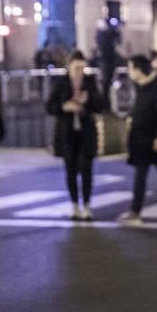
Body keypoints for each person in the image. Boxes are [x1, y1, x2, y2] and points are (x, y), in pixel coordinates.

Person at [118, 54, 157, 224]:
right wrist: (131, 116)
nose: (129, 72)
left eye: (130, 68)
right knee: (140, 176)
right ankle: (135, 212)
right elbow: (138, 107)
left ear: (138, 69)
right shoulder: (139, 86)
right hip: (141, 137)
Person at [46, 50, 106, 220]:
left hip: (85, 131)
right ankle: (74, 204)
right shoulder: (61, 83)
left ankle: (87, 204)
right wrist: (65, 107)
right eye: (76, 67)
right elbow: (50, 106)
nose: (79, 71)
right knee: (70, 169)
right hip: (67, 132)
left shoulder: (90, 82)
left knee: (86, 169)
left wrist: (88, 101)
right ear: (69, 66)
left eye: (82, 67)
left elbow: (100, 106)